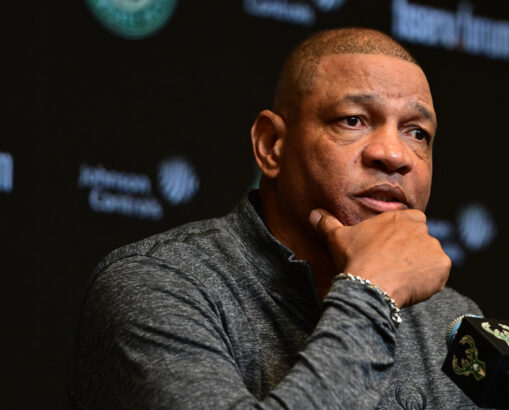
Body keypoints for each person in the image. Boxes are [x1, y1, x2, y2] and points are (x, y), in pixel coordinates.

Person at [69, 28, 481, 409]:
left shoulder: (451, 323)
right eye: (353, 120)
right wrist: (372, 293)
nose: (394, 155)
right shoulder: (155, 286)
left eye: (417, 133)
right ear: (271, 145)